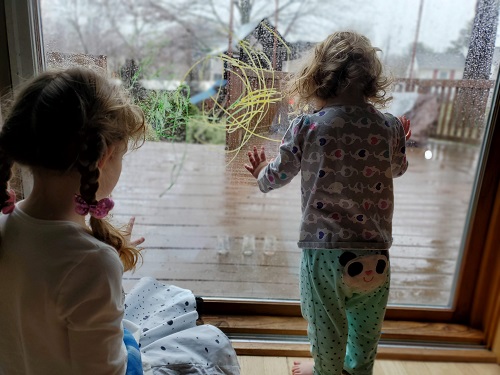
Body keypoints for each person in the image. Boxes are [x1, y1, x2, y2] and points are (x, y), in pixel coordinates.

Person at [0, 67, 240, 375]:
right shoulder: (93, 264)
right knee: (212, 344)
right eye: (122, 156)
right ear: (103, 157)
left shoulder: (6, 225)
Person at [244, 31, 411, 375]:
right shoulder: (389, 126)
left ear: (317, 80)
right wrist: (397, 143)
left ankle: (326, 372)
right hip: (375, 255)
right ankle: (358, 371)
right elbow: (397, 168)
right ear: (370, 82)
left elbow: (276, 177)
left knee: (327, 327)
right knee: (366, 330)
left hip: (326, 253)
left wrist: (261, 171)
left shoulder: (307, 125)